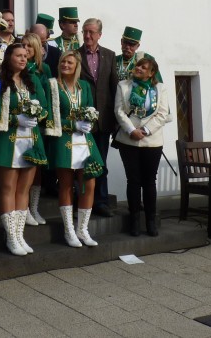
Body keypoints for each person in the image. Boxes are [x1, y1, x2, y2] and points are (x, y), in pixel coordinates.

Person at [0, 43, 57, 255]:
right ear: (9, 58)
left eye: (25, 56)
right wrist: (16, 119)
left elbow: (44, 106)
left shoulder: (32, 80)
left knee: (24, 189)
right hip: (8, 140)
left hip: (31, 140)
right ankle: (11, 237)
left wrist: (35, 115)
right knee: (8, 188)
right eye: (19, 55)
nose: (24, 59)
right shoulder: (0, 80)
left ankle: (19, 234)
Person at [114, 56, 171, 237]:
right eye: (138, 65)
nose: (138, 68)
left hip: (152, 141)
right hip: (129, 140)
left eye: (144, 67)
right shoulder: (123, 85)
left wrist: (145, 130)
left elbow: (162, 114)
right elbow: (119, 111)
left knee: (149, 181)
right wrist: (132, 130)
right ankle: (135, 220)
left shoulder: (160, 88)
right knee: (133, 181)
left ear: (151, 73)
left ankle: (150, 221)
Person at [52, 50, 104, 247]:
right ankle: (69, 230)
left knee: (89, 184)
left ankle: (82, 229)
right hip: (65, 140)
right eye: (63, 61)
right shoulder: (53, 85)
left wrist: (90, 121)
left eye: (70, 62)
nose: (65, 65)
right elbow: (52, 117)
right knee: (66, 185)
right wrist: (72, 124)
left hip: (84, 140)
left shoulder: (84, 86)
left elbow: (91, 109)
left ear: (77, 66)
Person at [79, 17, 118, 217]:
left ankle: (101, 201)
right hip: (81, 121)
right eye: (85, 31)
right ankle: (81, 200)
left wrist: (116, 120)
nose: (87, 36)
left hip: (103, 121)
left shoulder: (110, 56)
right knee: (81, 162)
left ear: (99, 35)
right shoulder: (75, 55)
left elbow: (114, 88)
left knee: (100, 162)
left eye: (91, 32)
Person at [21, 32, 57, 225]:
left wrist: (47, 120)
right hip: (20, 124)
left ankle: (34, 208)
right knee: (22, 167)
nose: (25, 49)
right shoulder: (17, 65)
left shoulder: (44, 69)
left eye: (29, 46)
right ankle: (24, 208)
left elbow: (50, 96)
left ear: (36, 49)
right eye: (23, 45)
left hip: (39, 123)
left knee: (36, 169)